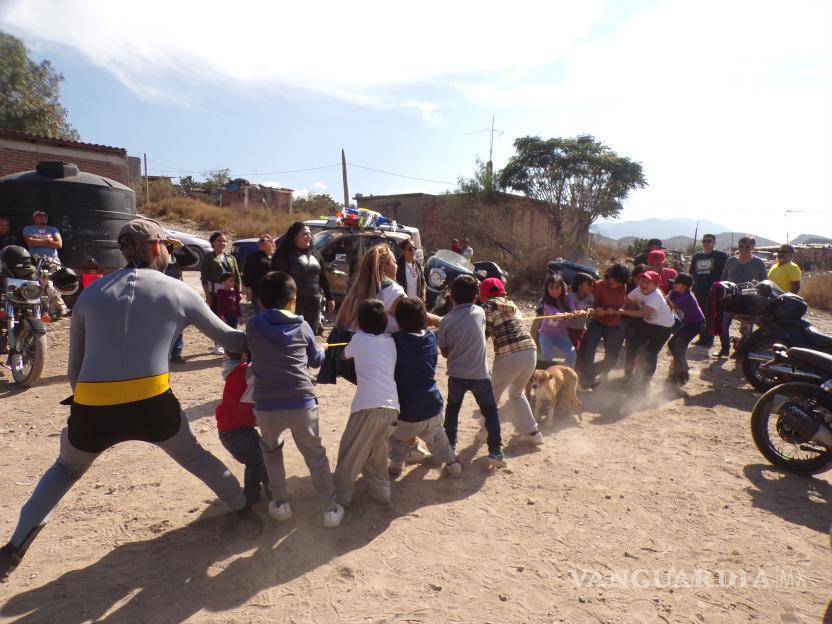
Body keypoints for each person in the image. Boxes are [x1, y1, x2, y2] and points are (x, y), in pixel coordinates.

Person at [0, 217, 262, 583]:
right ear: (156, 247)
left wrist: (96, 399)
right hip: (152, 402)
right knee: (195, 457)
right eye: (167, 247)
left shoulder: (91, 293)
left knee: (65, 470)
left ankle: (14, 548)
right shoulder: (177, 291)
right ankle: (247, 516)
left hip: (91, 405)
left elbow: (75, 373)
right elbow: (232, 342)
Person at [247, 271, 344, 528]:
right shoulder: (303, 326)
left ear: (262, 302)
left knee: (271, 451)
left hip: (266, 406)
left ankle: (280, 503)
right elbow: (315, 361)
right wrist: (322, 350)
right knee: (315, 455)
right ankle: (330, 509)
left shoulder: (253, 325)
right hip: (302, 402)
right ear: (293, 300)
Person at [334, 300, 399, 508]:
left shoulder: (359, 338)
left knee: (350, 451)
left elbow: (344, 355)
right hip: (392, 408)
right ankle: (382, 493)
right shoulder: (390, 341)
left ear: (360, 323)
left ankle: (341, 498)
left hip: (367, 407)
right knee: (376, 451)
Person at [388, 297, 461, 477]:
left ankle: (397, 464)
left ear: (398, 320)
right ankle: (452, 463)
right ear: (424, 319)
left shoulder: (394, 341)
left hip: (406, 411)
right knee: (438, 437)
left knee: (396, 437)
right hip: (432, 405)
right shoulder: (430, 338)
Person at [439, 275, 504, 466]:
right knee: (490, 412)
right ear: (476, 298)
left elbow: (444, 353)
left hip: (456, 374)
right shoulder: (480, 313)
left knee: (452, 410)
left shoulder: (445, 321)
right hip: (480, 375)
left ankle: (450, 447)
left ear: (452, 297)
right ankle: (495, 451)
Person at [479, 278, 542, 446]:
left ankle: (485, 431)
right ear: (504, 293)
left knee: (492, 396)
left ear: (483, 296)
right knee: (517, 393)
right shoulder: (512, 306)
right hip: (530, 351)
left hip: (509, 355)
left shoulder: (487, 307)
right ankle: (533, 433)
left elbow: (483, 334)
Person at [215, 353, 269, 504]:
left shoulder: (236, 369)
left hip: (238, 428)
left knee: (262, 459)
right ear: (245, 354)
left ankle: (271, 490)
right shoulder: (246, 371)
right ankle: (251, 498)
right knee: (256, 462)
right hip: (235, 431)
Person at [271, 222, 334, 336]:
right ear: (294, 237)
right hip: (293, 304)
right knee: (295, 335)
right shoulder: (284, 256)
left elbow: (323, 277)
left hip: (314, 303)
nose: (309, 237)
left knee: (311, 334)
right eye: (305, 234)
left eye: (310, 234)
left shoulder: (315, 254)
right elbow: (276, 281)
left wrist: (330, 297)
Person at [577, 264, 631, 387]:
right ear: (610, 275)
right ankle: (586, 380)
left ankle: (587, 375)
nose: (616, 284)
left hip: (614, 325)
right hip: (597, 322)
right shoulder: (598, 285)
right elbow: (589, 304)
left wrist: (616, 310)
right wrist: (597, 310)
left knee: (611, 361)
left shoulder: (623, 287)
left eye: (619, 282)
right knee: (588, 352)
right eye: (614, 280)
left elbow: (622, 304)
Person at [619, 270, 676, 387]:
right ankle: (627, 375)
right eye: (642, 280)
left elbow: (642, 314)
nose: (643, 284)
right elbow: (627, 300)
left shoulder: (656, 297)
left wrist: (622, 312)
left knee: (651, 353)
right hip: (647, 323)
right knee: (632, 346)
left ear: (656, 285)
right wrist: (621, 308)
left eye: (647, 282)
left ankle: (646, 381)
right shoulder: (639, 290)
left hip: (663, 326)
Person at [717, 236, 767, 357]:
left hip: (749, 300)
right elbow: (723, 278)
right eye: (741, 246)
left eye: (747, 246)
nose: (744, 248)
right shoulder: (731, 261)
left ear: (753, 247)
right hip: (730, 298)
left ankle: (741, 352)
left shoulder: (758, 263)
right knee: (722, 324)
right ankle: (725, 348)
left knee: (746, 327)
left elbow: (764, 282)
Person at [201, 231, 242, 355]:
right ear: (213, 242)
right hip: (216, 292)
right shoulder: (209, 257)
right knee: (218, 317)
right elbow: (204, 277)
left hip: (231, 292)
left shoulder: (231, 257)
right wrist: (207, 295)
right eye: (219, 240)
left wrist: (238, 291)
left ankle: (232, 343)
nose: (222, 243)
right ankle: (218, 344)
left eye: (224, 241)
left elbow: (237, 274)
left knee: (232, 316)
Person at [22, 210, 68, 316]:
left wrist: (38, 242)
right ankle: (56, 309)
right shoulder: (28, 229)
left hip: (52, 260)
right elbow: (30, 242)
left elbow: (59, 244)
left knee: (52, 284)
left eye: (45, 216)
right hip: (36, 261)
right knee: (43, 284)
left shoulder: (53, 229)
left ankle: (57, 309)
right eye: (40, 216)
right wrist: (48, 240)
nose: (43, 218)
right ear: (34, 218)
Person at [689, 234, 728, 347]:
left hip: (714, 291)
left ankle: (710, 339)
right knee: (701, 315)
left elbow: (725, 273)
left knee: (712, 315)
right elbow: (692, 272)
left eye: (709, 241)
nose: (706, 243)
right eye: (704, 241)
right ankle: (702, 338)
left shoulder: (721, 256)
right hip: (699, 289)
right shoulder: (697, 256)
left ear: (714, 242)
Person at [666, 273, 705, 385]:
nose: (673, 285)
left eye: (676, 283)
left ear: (684, 286)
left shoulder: (687, 297)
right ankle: (681, 369)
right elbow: (668, 298)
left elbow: (669, 303)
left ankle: (681, 374)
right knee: (673, 345)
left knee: (677, 345)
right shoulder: (676, 293)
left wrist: (661, 295)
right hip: (688, 323)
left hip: (696, 324)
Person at [537, 274, 577, 368]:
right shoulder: (546, 301)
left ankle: (566, 375)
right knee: (547, 355)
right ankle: (544, 377)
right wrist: (564, 315)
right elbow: (554, 313)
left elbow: (573, 310)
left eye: (557, 287)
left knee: (572, 354)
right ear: (547, 289)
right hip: (546, 334)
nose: (554, 290)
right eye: (551, 287)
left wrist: (574, 313)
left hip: (562, 335)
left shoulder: (568, 298)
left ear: (562, 287)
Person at [242, 233, 276, 313]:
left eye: (264, 240)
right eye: (260, 241)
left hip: (273, 290)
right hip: (258, 291)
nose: (261, 242)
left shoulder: (275, 257)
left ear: (271, 242)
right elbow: (247, 272)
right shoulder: (254, 256)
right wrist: (248, 289)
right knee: (260, 314)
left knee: (272, 313)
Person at [566, 272, 595, 352]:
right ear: (579, 286)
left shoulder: (590, 296)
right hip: (570, 328)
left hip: (581, 328)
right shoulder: (572, 297)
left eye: (592, 285)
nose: (591, 287)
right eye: (589, 285)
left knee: (581, 349)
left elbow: (591, 310)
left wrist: (591, 311)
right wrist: (579, 312)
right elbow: (572, 311)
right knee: (575, 349)